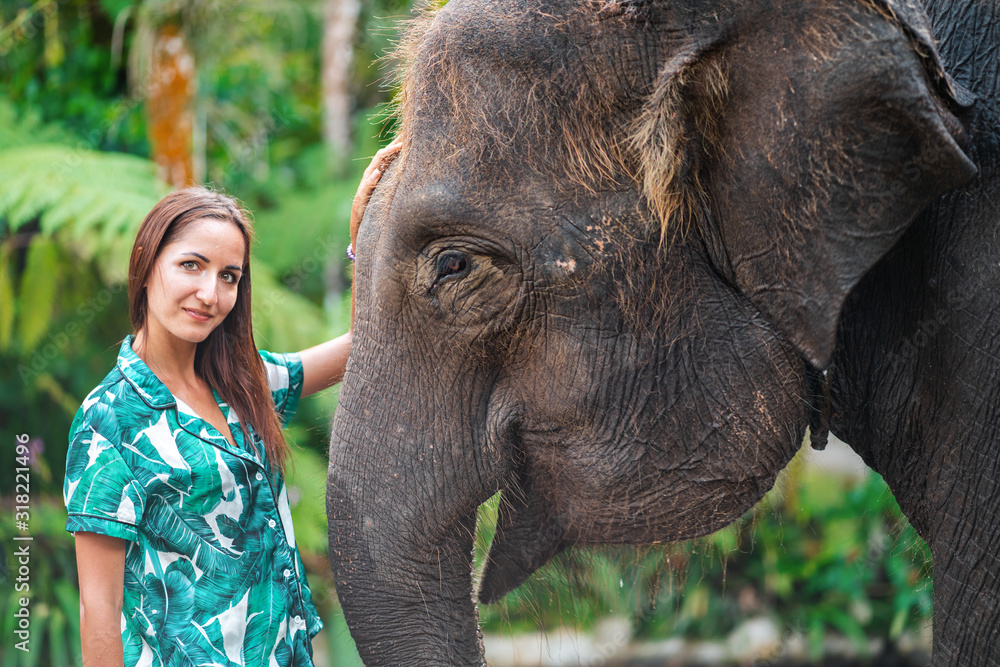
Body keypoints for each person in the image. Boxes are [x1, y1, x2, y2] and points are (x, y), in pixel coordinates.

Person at [64, 141, 401, 666]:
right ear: (147, 265)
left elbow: (365, 346)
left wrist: (367, 224)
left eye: (229, 277)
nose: (210, 293)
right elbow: (98, 607)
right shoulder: (108, 418)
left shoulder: (243, 383)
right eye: (192, 266)